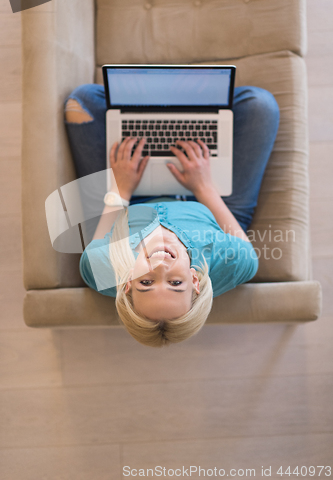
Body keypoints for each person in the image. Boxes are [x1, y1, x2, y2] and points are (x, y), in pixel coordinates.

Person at [64, 84, 280, 347]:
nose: (160, 266)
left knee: (81, 102)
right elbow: (247, 253)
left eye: (147, 282)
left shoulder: (100, 270)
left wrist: (120, 188)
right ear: (194, 281)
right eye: (175, 282)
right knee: (260, 104)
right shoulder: (229, 263)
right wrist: (204, 186)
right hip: (209, 209)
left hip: (131, 199)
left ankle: (161, 94)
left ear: (128, 284)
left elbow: (102, 231)